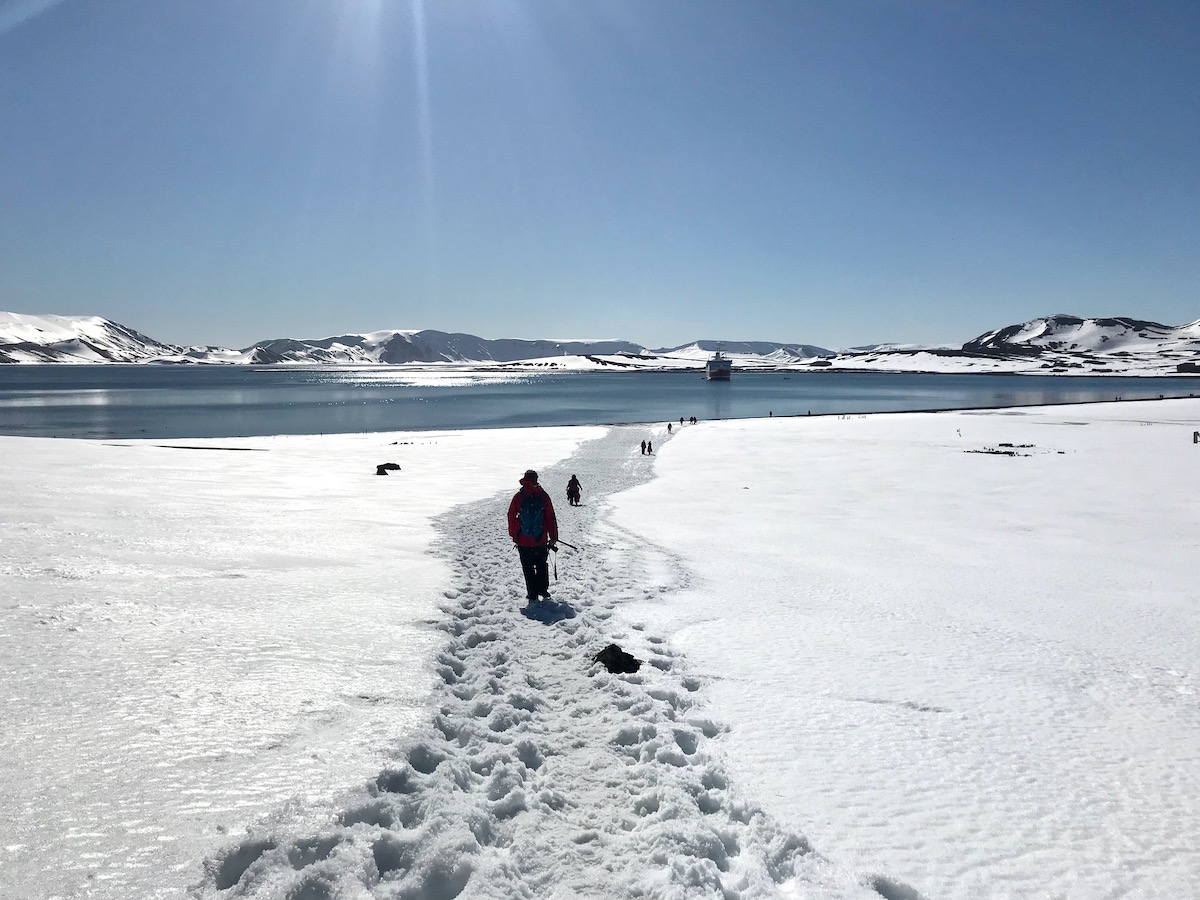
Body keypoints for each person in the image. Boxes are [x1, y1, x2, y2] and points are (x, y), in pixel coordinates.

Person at [507, 469, 558, 601]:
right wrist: (553, 536)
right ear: (536, 479)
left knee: (527, 567)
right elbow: (550, 517)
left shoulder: (519, 496)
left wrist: (514, 534)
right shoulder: (543, 496)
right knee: (541, 564)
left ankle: (532, 593)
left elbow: (511, 515)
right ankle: (543, 589)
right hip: (540, 539)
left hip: (523, 540)